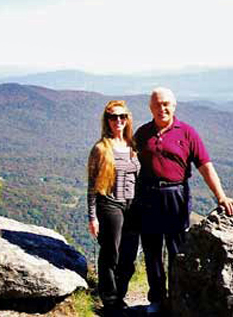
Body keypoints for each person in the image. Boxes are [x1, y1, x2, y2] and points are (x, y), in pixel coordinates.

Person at [134, 87, 233, 314]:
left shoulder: (187, 133)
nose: (161, 108)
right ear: (150, 108)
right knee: (152, 252)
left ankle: (178, 297)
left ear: (174, 106)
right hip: (148, 196)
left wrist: (220, 196)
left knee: (177, 252)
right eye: (156, 105)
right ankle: (157, 299)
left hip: (176, 197)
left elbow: (205, 166)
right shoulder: (142, 133)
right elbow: (128, 164)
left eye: (166, 104)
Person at [87, 100, 141, 316]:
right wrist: (92, 216)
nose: (118, 120)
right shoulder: (101, 148)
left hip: (133, 206)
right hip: (109, 204)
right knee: (111, 253)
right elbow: (92, 185)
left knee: (129, 255)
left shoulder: (133, 145)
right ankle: (109, 301)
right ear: (106, 120)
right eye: (113, 116)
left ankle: (120, 297)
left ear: (128, 119)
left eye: (122, 116)